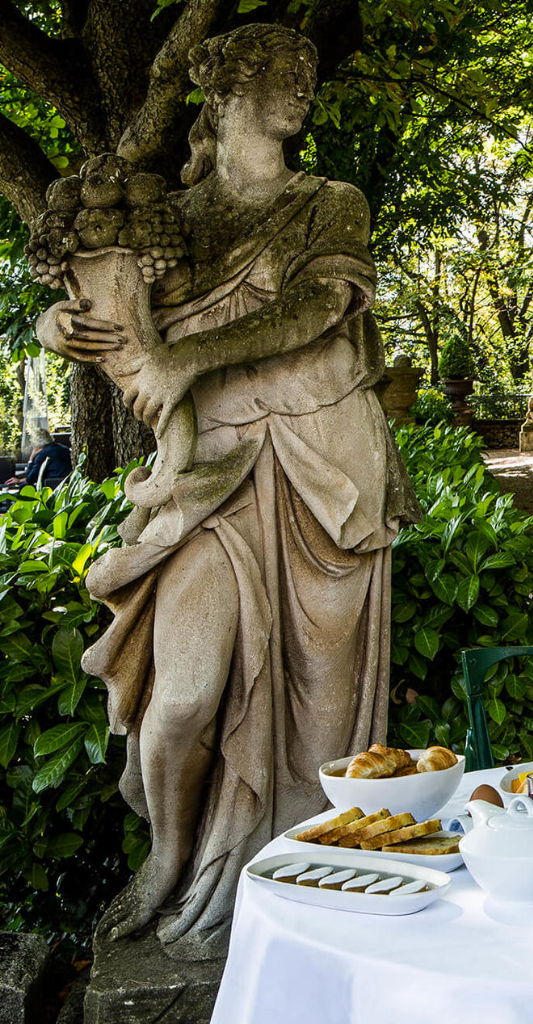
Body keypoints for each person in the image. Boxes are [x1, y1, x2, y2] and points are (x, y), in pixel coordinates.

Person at [36, 24, 418, 959]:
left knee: (327, 715)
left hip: (326, 467)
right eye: (277, 72)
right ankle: (171, 859)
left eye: (305, 70)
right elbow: (115, 315)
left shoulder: (332, 202)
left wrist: (189, 356)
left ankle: (300, 886)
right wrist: (58, 322)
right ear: (225, 91)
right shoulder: (174, 218)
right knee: (184, 694)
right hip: (209, 469)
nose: (300, 86)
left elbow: (324, 306)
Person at [1, 431, 70, 489]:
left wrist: (31, 459)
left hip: (51, 485)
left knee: (24, 487)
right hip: (68, 483)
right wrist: (20, 480)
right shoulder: (64, 448)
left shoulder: (42, 454)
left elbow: (30, 479)